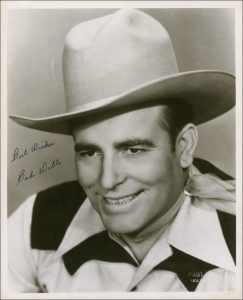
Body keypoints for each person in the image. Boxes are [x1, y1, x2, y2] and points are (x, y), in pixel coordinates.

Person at [8, 8, 236, 292]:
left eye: (133, 149)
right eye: (89, 153)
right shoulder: (37, 223)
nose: (107, 181)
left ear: (184, 146)